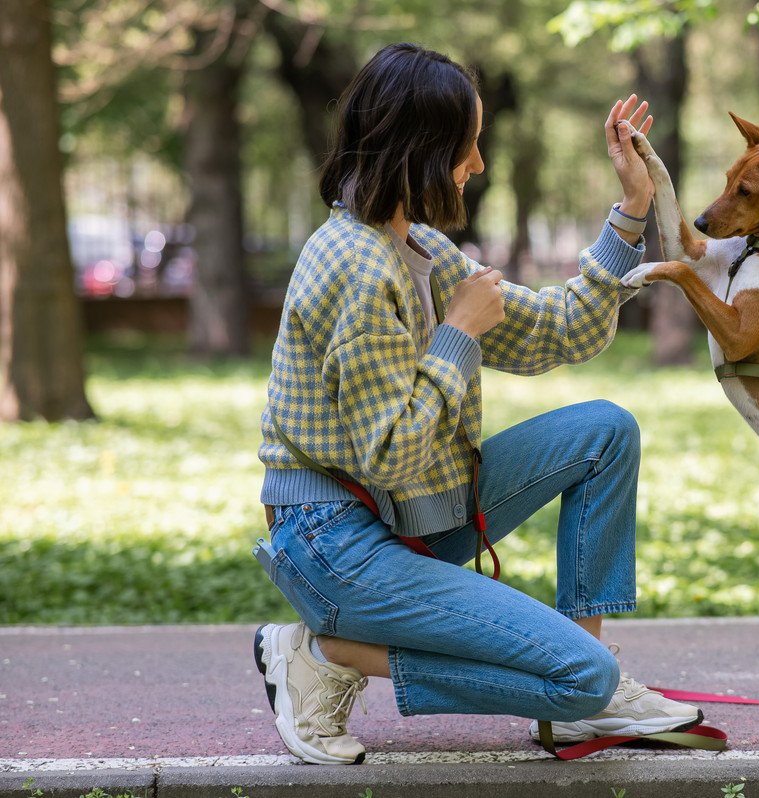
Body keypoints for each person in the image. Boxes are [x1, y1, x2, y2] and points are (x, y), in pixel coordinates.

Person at [252, 42, 700, 765]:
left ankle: (592, 686)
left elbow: (561, 329)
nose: (479, 165)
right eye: (469, 146)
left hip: (406, 513)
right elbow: (393, 456)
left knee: (605, 432)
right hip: (334, 543)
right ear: (423, 150)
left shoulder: (417, 248)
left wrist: (631, 211)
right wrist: (457, 331)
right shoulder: (356, 271)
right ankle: (327, 652)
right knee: (582, 681)